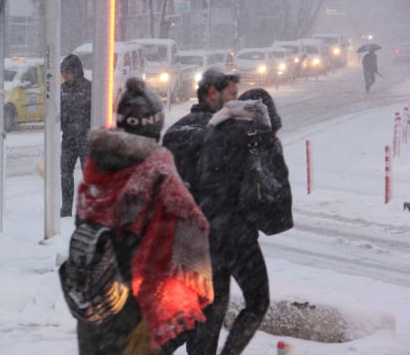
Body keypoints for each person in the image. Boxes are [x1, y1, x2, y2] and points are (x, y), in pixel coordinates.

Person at [60, 78, 214, 354]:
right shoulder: (157, 173)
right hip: (132, 310)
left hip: (95, 301)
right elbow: (185, 231)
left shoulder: (98, 165)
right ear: (154, 127)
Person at [185, 88, 292, 355]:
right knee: (257, 301)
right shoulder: (260, 136)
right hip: (238, 235)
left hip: (206, 232)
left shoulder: (214, 132)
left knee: (213, 306)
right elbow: (273, 191)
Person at [162, 68, 239, 200]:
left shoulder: (173, 132)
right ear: (213, 93)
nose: (236, 100)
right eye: (232, 94)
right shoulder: (228, 133)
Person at [60, 54, 92, 217]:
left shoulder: (89, 88)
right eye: (63, 72)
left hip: (86, 139)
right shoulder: (62, 90)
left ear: (76, 71)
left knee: (88, 175)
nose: (64, 75)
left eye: (67, 71)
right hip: (68, 138)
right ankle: (66, 207)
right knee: (65, 172)